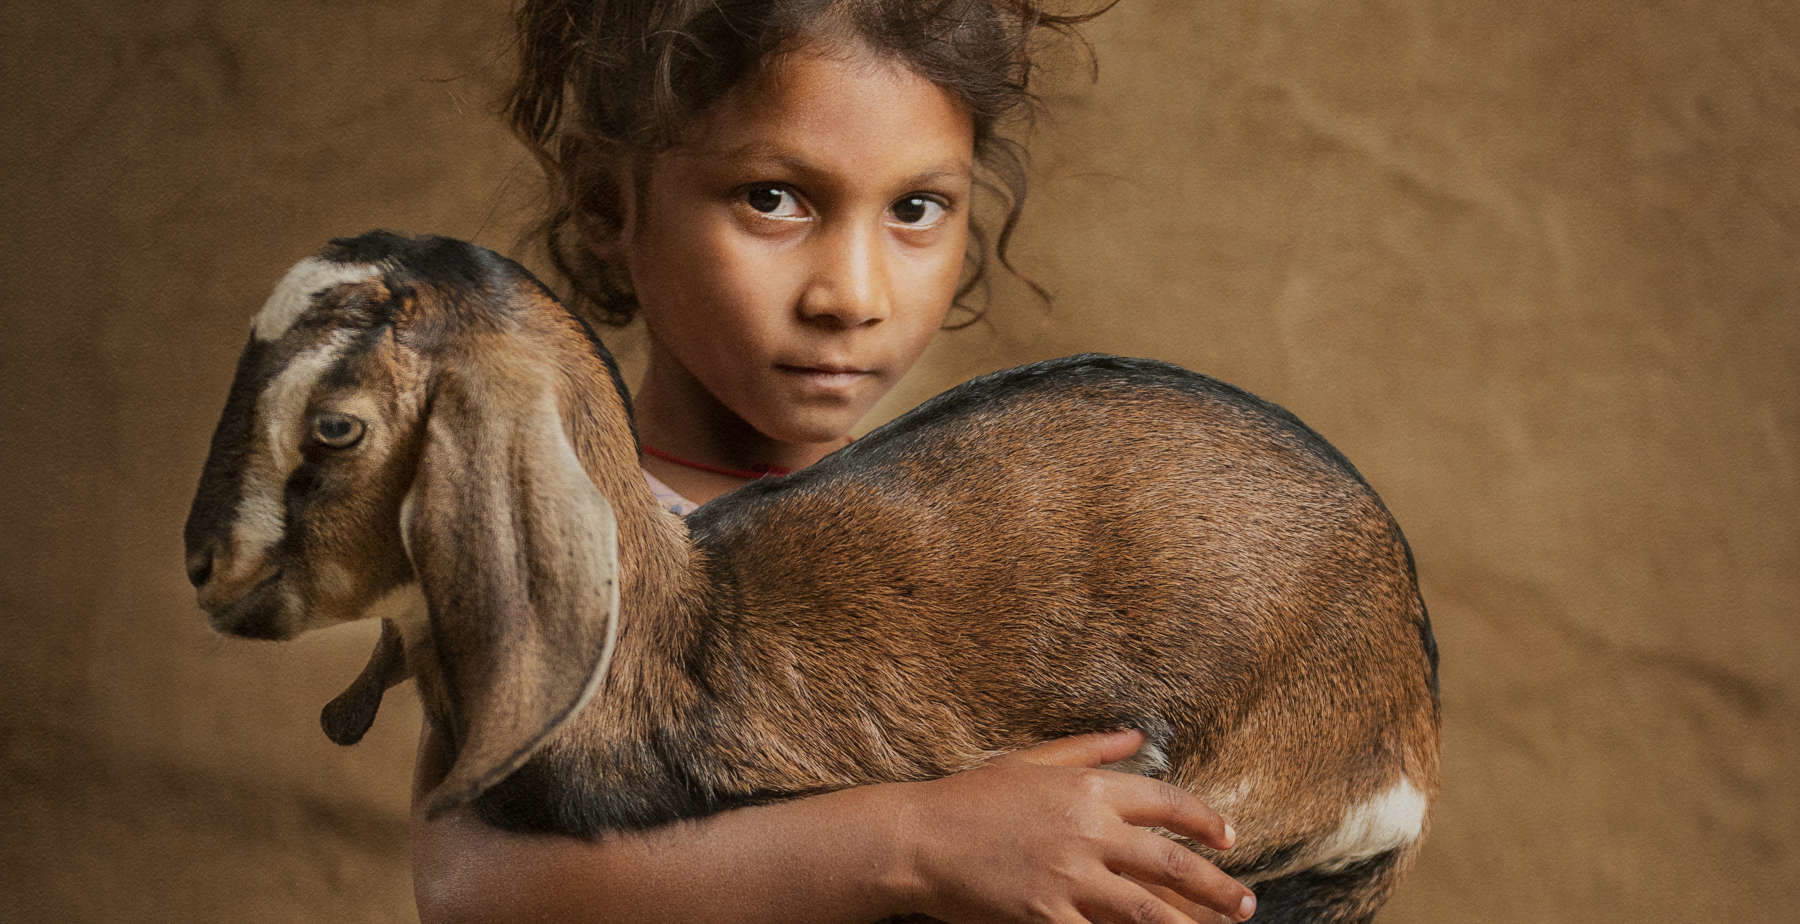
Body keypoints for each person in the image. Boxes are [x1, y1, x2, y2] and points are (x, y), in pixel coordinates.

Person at [411, 2, 1258, 921]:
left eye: (916, 209)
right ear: (608, 201)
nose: (852, 295)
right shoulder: (550, 529)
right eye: (773, 198)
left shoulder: (970, 534)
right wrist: (914, 842)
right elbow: (472, 885)